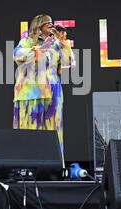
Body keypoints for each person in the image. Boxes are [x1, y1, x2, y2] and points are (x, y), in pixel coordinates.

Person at [13, 14, 75, 161]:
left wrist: (63, 41)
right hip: (31, 93)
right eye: (48, 23)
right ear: (38, 25)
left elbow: (69, 62)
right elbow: (17, 55)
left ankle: (54, 167)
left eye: (52, 23)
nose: (51, 25)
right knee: (29, 131)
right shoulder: (27, 41)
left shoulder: (56, 44)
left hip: (53, 93)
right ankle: (27, 166)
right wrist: (43, 47)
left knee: (54, 132)